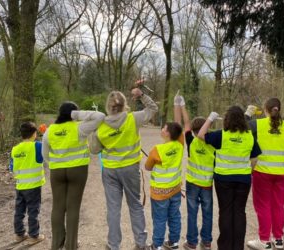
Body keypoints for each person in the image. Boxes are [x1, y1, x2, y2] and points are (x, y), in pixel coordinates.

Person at [88, 88, 158, 250]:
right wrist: (141, 95)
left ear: (108, 106)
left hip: (110, 170)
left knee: (113, 208)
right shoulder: (133, 118)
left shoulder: (101, 125)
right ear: (124, 104)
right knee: (135, 205)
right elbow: (153, 109)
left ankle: (113, 245)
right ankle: (141, 244)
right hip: (130, 169)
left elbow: (94, 150)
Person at [42, 101, 105, 250]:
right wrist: (77, 114)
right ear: (73, 113)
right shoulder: (79, 127)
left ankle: (56, 243)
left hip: (57, 171)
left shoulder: (49, 131)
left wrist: (55, 163)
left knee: (57, 207)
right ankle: (71, 245)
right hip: (78, 171)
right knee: (73, 207)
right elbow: (100, 116)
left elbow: (44, 155)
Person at [197, 106, 262, 250]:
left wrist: (210, 118)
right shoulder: (249, 136)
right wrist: (249, 171)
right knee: (239, 211)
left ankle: (225, 246)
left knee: (225, 211)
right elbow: (255, 157)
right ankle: (237, 246)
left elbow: (200, 135)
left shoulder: (221, 135)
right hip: (243, 180)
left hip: (223, 180)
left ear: (227, 120)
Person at [247, 98, 284, 250]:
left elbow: (239, 126)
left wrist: (248, 114)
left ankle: (264, 240)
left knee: (263, 205)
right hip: (283, 173)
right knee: (278, 205)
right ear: (279, 109)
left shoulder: (258, 124)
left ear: (265, 109)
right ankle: (278, 239)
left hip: (262, 172)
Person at [172, 94, 214, 250]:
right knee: (207, 213)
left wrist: (182, 105)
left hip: (192, 183)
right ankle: (207, 242)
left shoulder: (191, 140)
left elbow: (186, 124)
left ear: (195, 132)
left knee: (192, 213)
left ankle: (191, 243)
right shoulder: (213, 142)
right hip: (207, 184)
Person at [144, 122, 184, 250]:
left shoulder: (157, 150)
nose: (162, 129)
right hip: (175, 190)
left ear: (168, 133)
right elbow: (180, 131)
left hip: (159, 193)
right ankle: (173, 242)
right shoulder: (180, 145)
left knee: (159, 219)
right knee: (174, 216)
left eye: (164, 128)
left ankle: (157, 245)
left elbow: (147, 167)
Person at [10, 122, 45, 245]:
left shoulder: (15, 149)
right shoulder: (37, 146)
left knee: (19, 210)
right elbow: (48, 151)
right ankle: (34, 236)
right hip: (34, 186)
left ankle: (19, 234)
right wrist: (45, 133)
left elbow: (12, 167)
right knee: (33, 211)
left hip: (20, 186)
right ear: (34, 134)